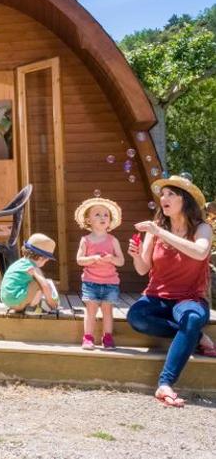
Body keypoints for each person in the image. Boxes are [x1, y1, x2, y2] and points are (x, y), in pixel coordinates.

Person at [126, 175, 215, 408]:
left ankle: (165, 383)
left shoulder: (202, 228)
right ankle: (196, 337)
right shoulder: (156, 230)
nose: (163, 198)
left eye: (170, 194)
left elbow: (200, 252)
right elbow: (142, 268)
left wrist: (159, 232)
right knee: (136, 316)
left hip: (189, 299)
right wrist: (136, 255)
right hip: (157, 297)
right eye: (162, 194)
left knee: (191, 318)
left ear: (185, 200)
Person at [74, 197, 125, 350]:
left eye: (106, 215)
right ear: (88, 220)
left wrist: (112, 258)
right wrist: (92, 258)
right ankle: (88, 337)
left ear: (110, 221)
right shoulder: (85, 240)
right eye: (97, 214)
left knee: (107, 311)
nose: (103, 217)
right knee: (91, 310)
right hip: (90, 282)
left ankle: (107, 337)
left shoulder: (113, 240)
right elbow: (79, 260)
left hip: (110, 283)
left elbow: (121, 261)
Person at [0, 233, 60, 313]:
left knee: (35, 282)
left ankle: (22, 306)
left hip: (7, 300)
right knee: (42, 283)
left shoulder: (21, 263)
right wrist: (51, 301)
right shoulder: (32, 267)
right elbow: (45, 285)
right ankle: (32, 308)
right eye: (47, 260)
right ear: (41, 258)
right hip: (16, 300)